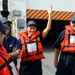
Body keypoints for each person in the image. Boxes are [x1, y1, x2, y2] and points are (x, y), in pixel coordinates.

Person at [19, 5, 52, 75]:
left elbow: (48, 28)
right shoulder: (21, 39)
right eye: (30, 28)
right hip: (25, 65)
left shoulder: (39, 37)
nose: (32, 30)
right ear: (27, 28)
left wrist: (50, 15)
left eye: (34, 28)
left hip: (36, 65)